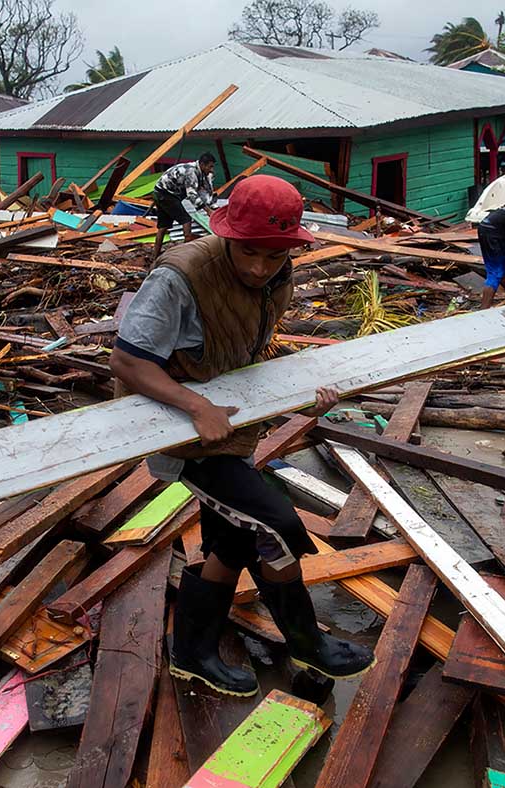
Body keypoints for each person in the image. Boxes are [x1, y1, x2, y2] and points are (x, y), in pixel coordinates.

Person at [111, 174, 374, 697]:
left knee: (230, 544)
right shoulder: (179, 277)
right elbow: (127, 361)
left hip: (230, 422)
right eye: (248, 253)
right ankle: (305, 642)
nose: (259, 268)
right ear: (227, 235)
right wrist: (195, 406)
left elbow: (249, 347)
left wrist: (301, 389)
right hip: (178, 430)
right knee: (276, 525)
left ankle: (191, 654)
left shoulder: (279, 273)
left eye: (273, 257)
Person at [151, 152, 216, 264]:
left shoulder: (201, 173)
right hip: (165, 194)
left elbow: (205, 191)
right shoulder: (191, 172)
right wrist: (208, 210)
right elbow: (192, 194)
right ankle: (186, 251)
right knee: (186, 220)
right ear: (202, 165)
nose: (211, 170)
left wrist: (213, 207)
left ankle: (154, 257)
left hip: (161, 192)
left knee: (163, 226)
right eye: (210, 167)